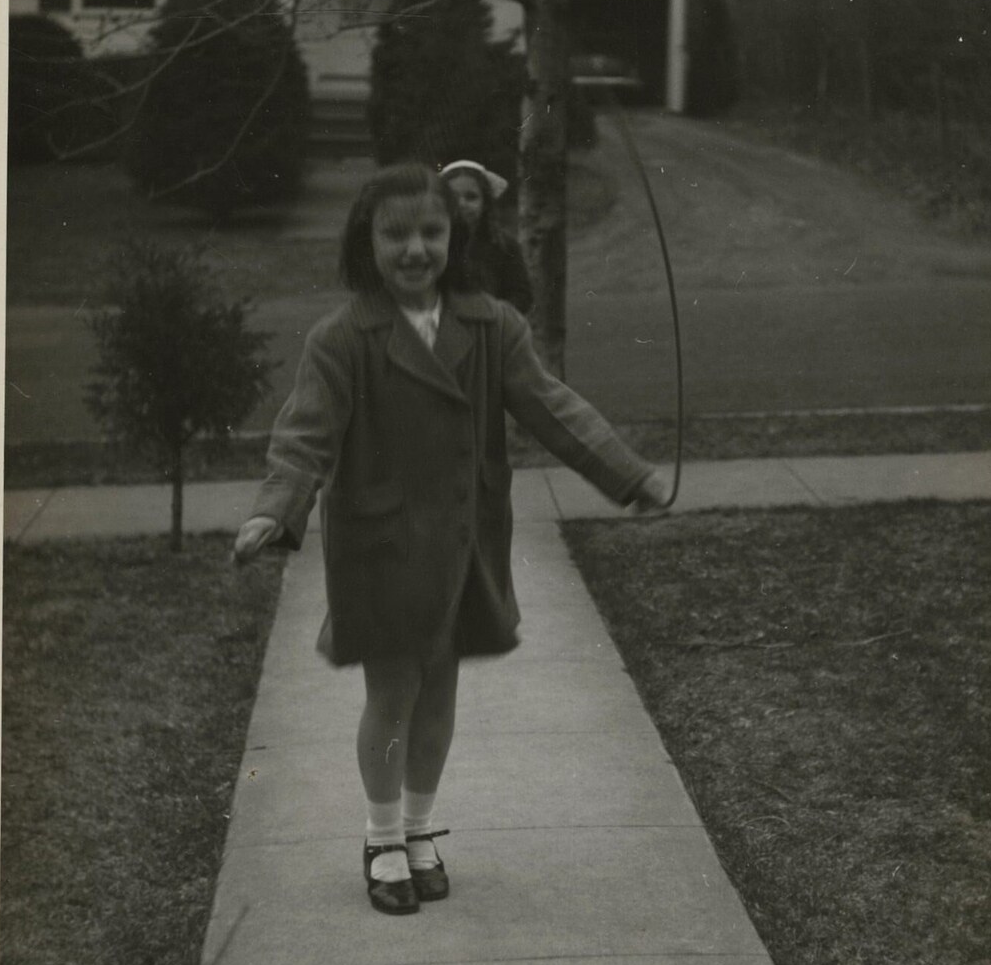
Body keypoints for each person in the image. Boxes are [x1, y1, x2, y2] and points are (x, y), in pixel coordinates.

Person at [234, 162, 668, 916]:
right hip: (381, 543)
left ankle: (420, 826)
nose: (414, 250)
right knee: (394, 689)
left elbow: (554, 409)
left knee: (440, 690)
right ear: (365, 243)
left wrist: (629, 476)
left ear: (455, 237)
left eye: (431, 232)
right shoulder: (342, 339)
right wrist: (276, 509)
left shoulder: (492, 325)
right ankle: (380, 838)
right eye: (395, 234)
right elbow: (304, 437)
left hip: (465, 538)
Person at [439, 158, 533, 315]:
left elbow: (522, 295)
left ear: (485, 203)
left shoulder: (504, 245)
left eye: (471, 197)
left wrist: (492, 313)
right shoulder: (435, 243)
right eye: (453, 197)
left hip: (491, 326)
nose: (461, 204)